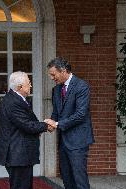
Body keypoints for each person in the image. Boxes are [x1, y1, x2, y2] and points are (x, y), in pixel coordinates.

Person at [0, 71, 53, 189]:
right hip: (18, 155)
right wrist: (46, 125)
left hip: (19, 155)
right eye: (28, 83)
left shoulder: (15, 98)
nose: (30, 85)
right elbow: (27, 125)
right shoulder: (13, 101)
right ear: (20, 87)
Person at [45, 57, 94, 189]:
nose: (51, 78)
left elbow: (80, 115)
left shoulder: (81, 86)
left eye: (53, 74)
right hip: (63, 141)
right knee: (67, 179)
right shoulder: (56, 90)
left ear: (64, 71)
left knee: (80, 180)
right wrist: (49, 124)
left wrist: (57, 124)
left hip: (78, 141)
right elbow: (56, 112)